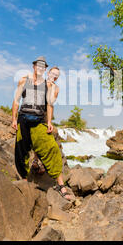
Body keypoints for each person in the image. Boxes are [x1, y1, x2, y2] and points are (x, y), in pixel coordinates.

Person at [12, 57, 72, 200]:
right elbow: (16, 101)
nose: (40, 68)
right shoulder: (23, 81)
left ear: (44, 69)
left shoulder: (49, 86)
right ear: (34, 66)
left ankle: (61, 185)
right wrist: (14, 119)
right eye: (38, 65)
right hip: (23, 120)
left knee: (52, 148)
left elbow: (50, 105)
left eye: (43, 66)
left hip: (39, 121)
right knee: (21, 152)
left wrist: (49, 122)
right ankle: (25, 181)